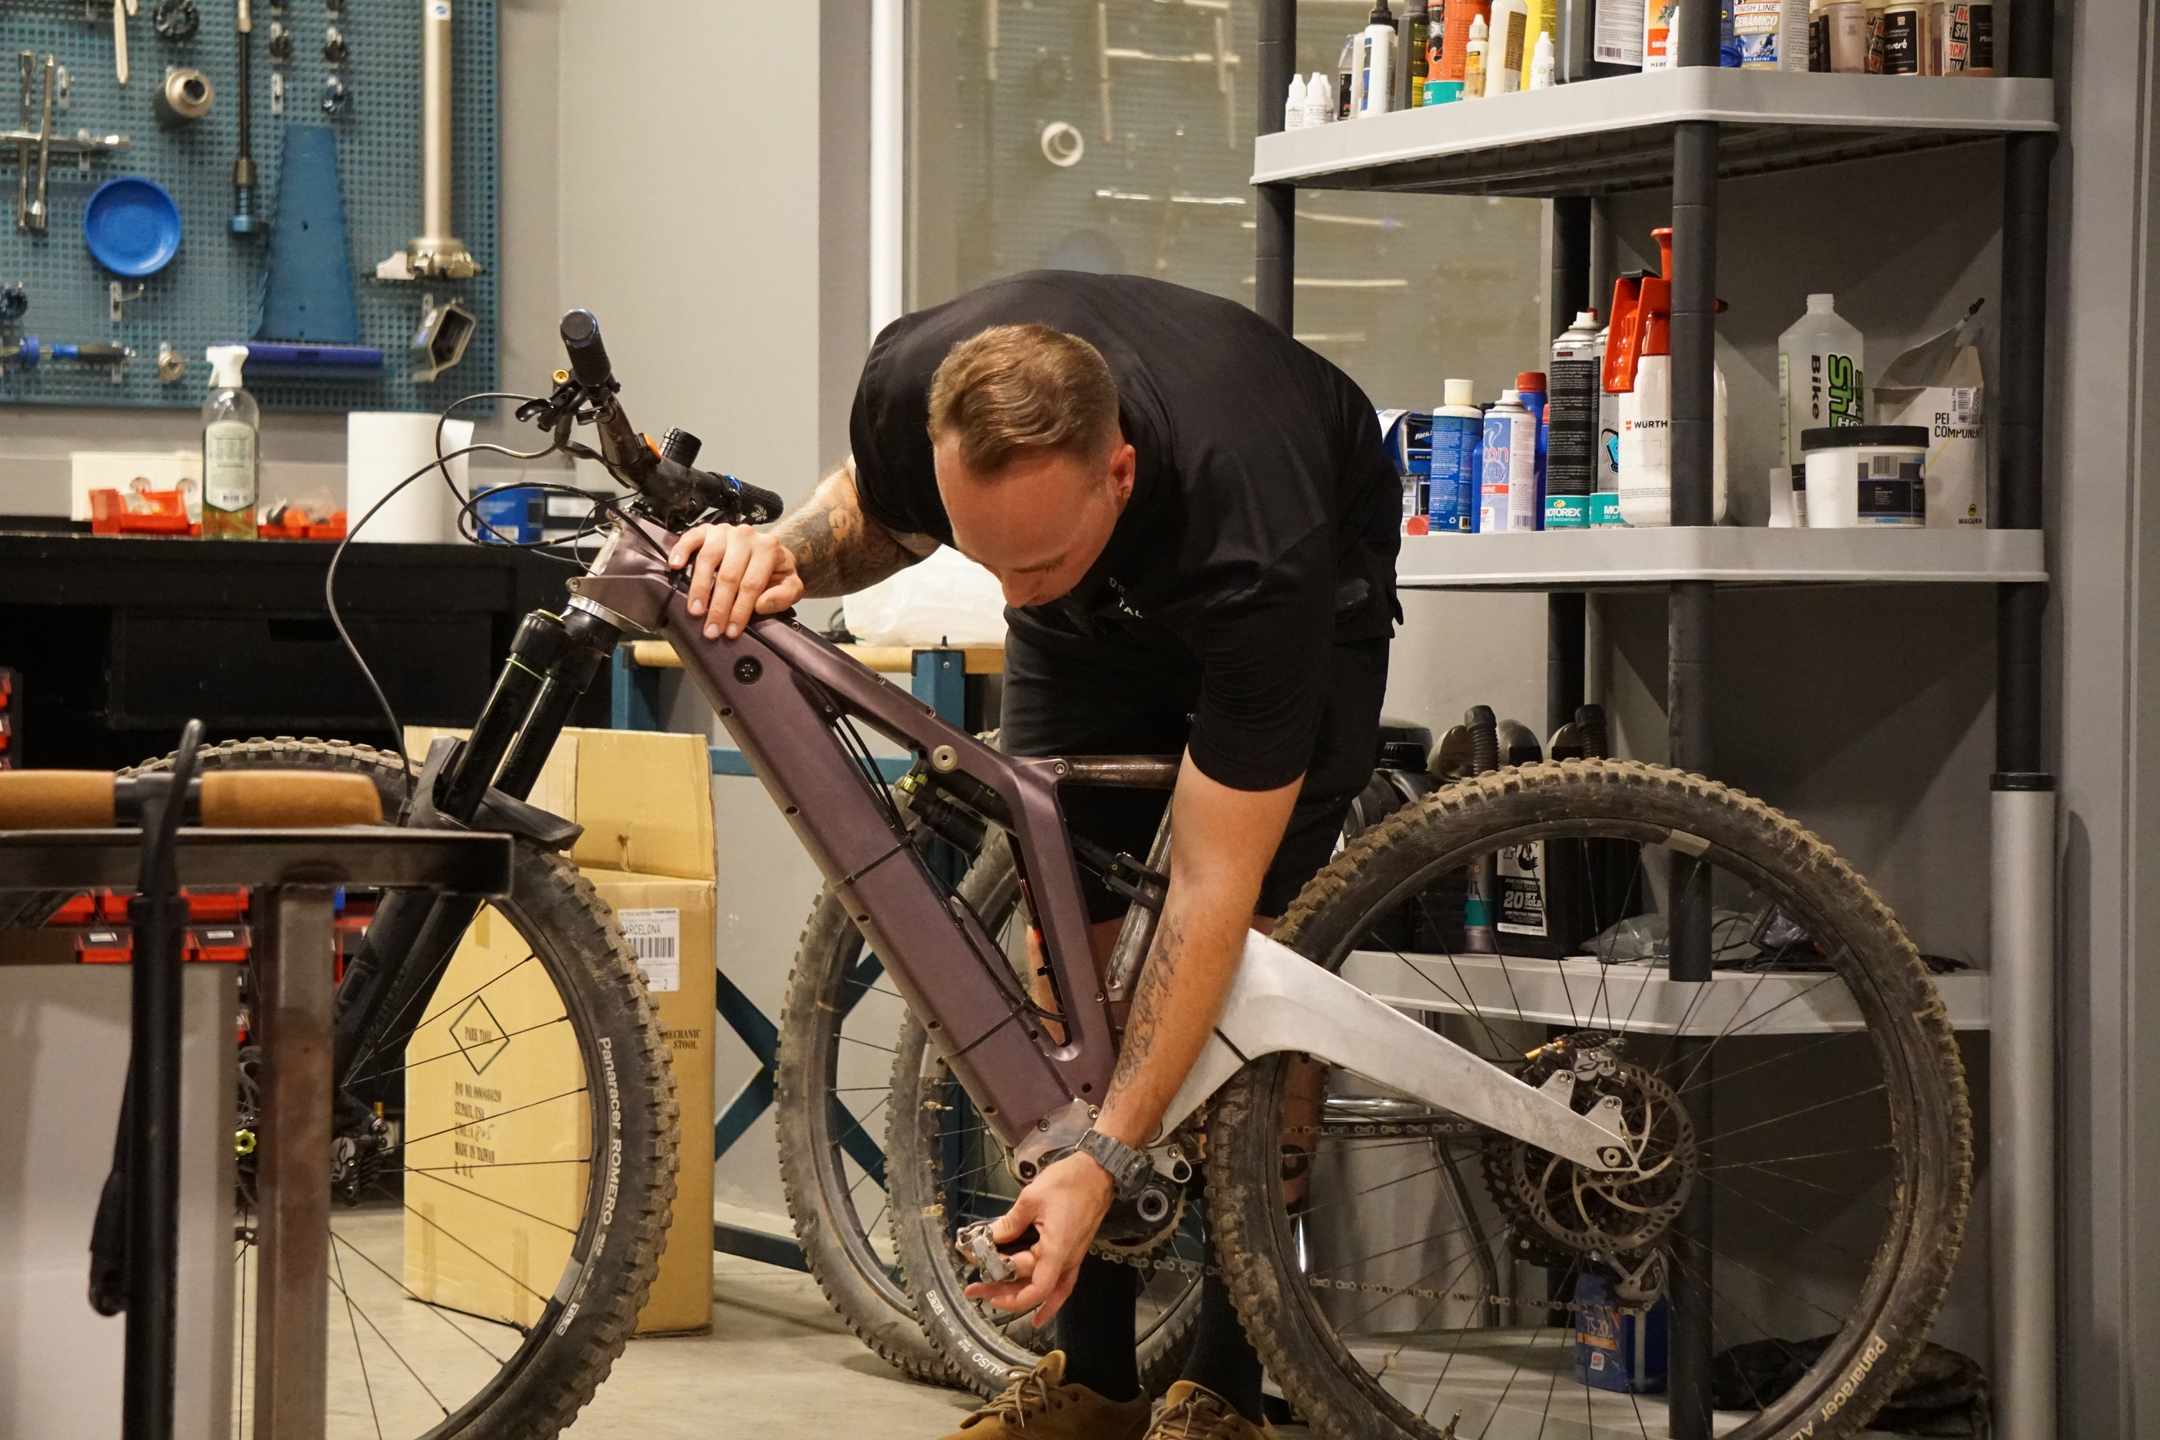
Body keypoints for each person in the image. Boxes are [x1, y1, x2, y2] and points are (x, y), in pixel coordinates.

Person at [669, 270, 1399, 1440]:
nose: (1008, 588)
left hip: (1294, 586)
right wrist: (779, 550)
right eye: (984, 558)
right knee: (1070, 953)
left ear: (1119, 472)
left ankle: (1225, 1383)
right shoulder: (918, 386)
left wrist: (1107, 1151)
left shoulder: (1255, 534)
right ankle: (1096, 1376)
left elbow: (1212, 886)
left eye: (1033, 563)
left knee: (1255, 975)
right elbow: (875, 515)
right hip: (1091, 620)